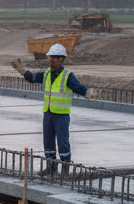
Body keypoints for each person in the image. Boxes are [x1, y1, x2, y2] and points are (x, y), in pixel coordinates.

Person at [22, 43, 89, 176]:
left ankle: (64, 168)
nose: (52, 60)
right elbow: (33, 78)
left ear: (61, 60)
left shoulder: (67, 75)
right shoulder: (46, 73)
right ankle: (51, 167)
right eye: (50, 57)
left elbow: (79, 88)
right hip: (48, 113)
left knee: (63, 141)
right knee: (48, 140)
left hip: (61, 115)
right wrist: (24, 72)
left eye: (55, 58)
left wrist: (87, 92)